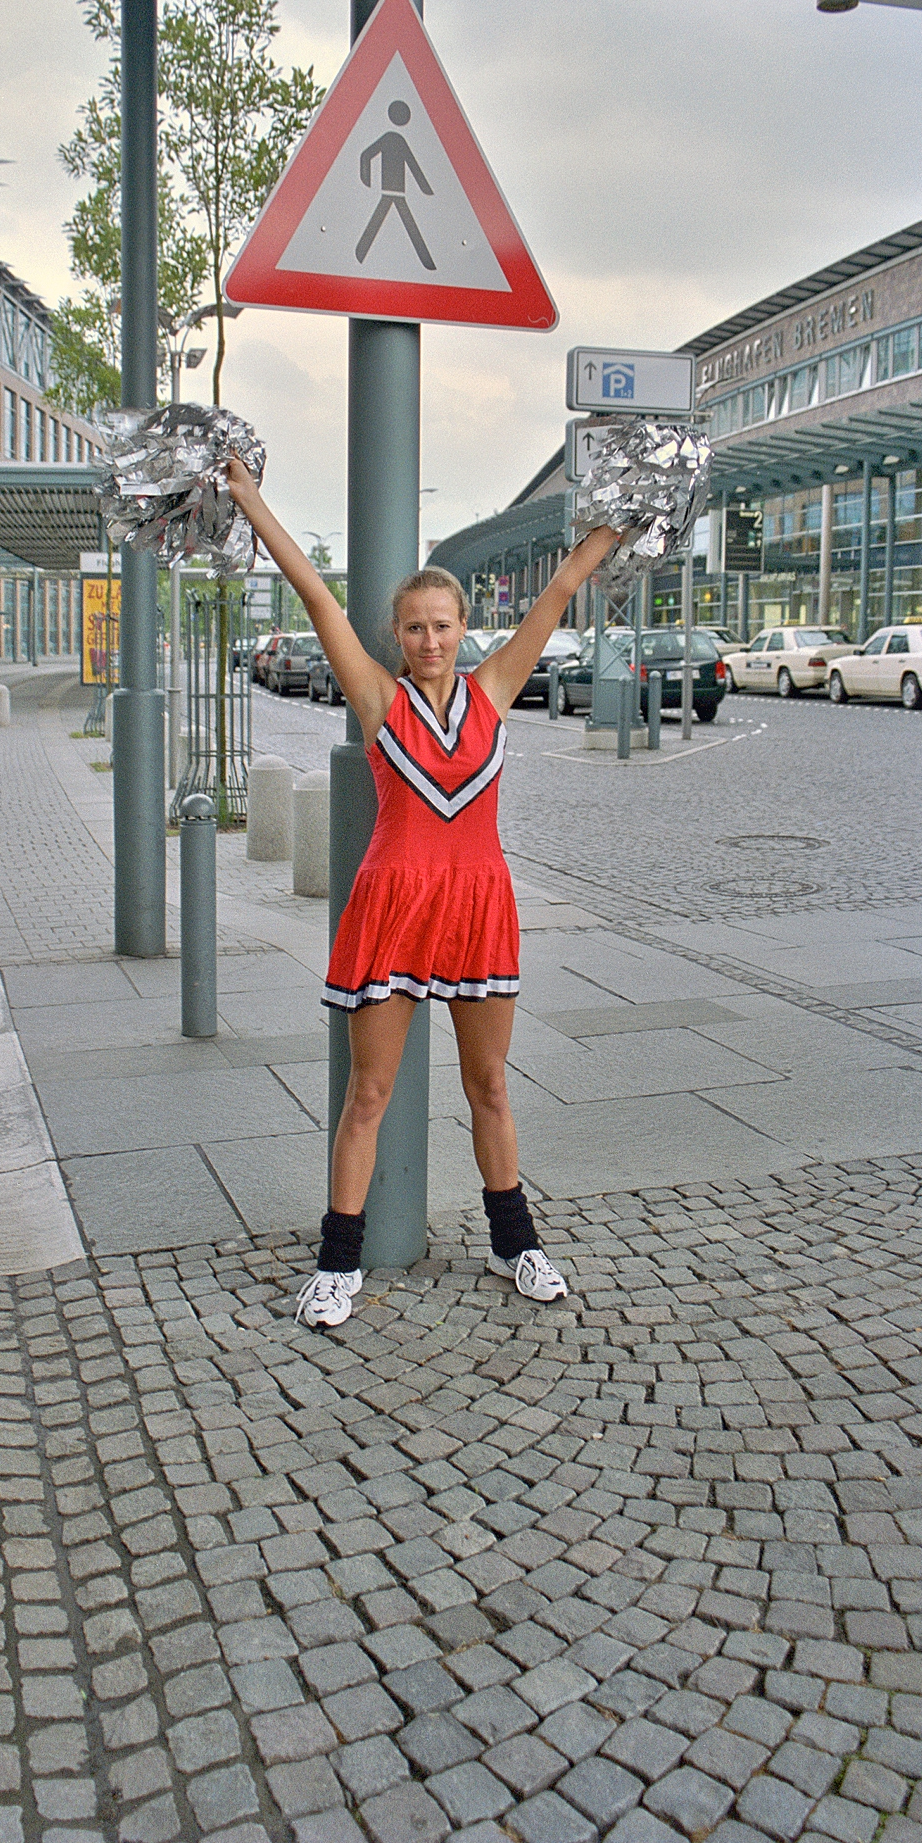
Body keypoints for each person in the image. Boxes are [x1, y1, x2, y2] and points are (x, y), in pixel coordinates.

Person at [225, 457, 618, 1329]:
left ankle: (518, 1244)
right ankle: (338, 1263)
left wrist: (612, 529)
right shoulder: (379, 701)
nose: (430, 640)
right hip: (394, 909)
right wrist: (252, 497)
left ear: (464, 627)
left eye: (442, 625)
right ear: (396, 636)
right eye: (413, 628)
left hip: (478, 905)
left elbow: (557, 595)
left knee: (490, 1089)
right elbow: (313, 596)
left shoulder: (496, 692)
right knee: (368, 1093)